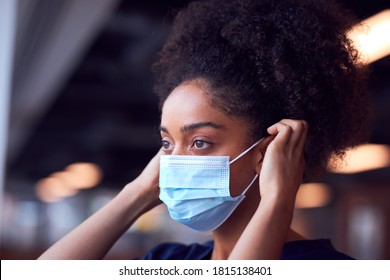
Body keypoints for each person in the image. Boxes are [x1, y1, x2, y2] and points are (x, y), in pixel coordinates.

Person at [38, 0, 370, 260]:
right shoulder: (169, 262)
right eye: (167, 143)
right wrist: (138, 192)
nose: (175, 162)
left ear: (266, 153)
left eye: (198, 142)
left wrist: (277, 203)